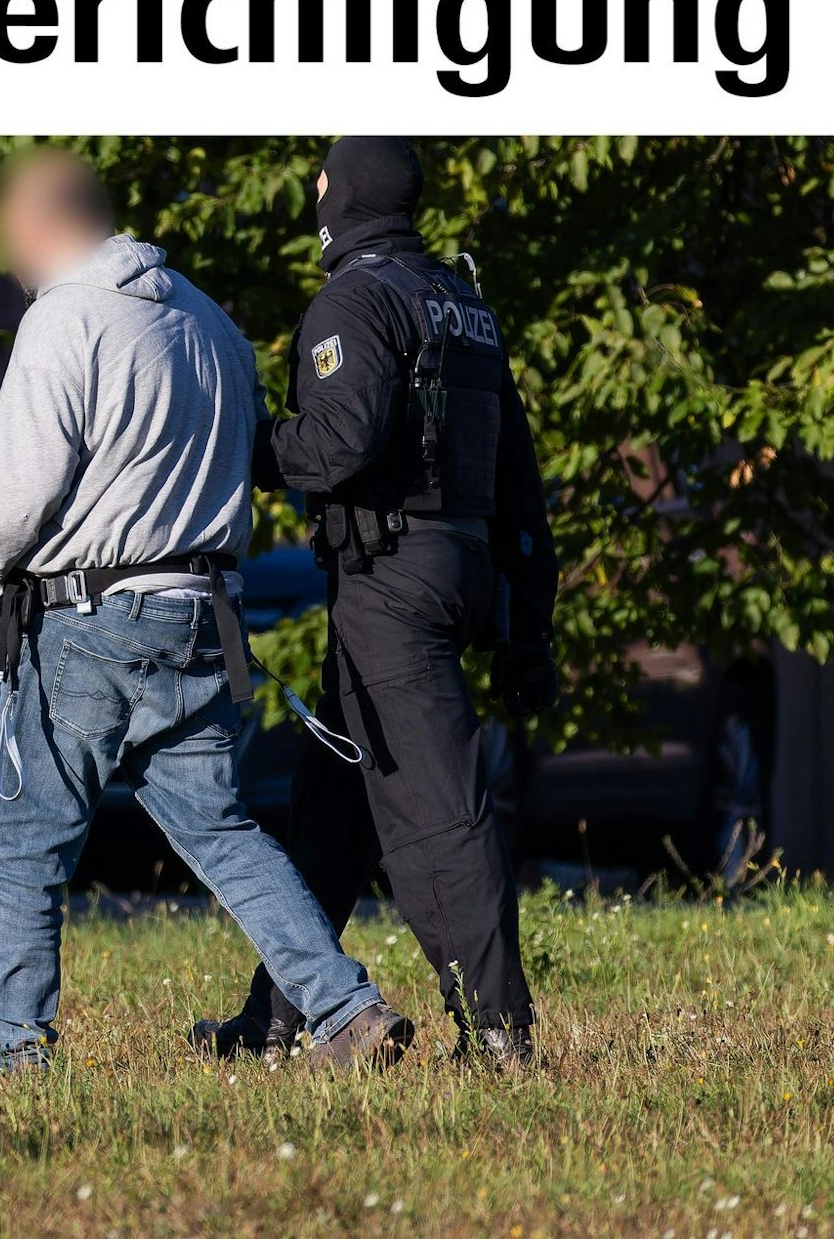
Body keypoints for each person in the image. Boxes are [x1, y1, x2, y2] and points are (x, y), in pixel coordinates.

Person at [0, 148, 411, 1073]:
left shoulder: (64, 318)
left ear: (43, 226)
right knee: (221, 830)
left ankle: (13, 1055)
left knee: (26, 836)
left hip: (90, 616)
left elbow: (17, 491)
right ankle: (347, 1009)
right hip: (204, 613)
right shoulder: (208, 321)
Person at [192, 137, 560, 1070]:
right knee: (334, 807)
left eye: (321, 182)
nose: (313, 197)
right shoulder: (460, 300)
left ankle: (498, 1036)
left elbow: (337, 446)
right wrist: (528, 625)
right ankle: (279, 1018)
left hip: (392, 584)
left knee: (435, 812)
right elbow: (517, 476)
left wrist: (244, 437)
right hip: (454, 567)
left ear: (346, 194)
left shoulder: (357, 297)